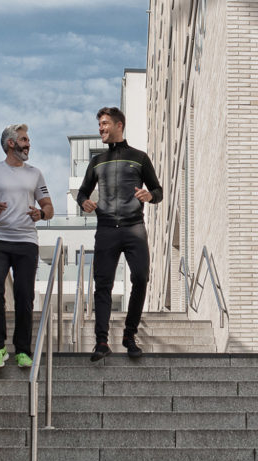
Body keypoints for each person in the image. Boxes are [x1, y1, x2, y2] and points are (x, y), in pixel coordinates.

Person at [76, 106, 163, 361]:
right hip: (106, 230)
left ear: (119, 125)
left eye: (104, 124)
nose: (101, 129)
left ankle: (129, 335)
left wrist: (150, 196)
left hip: (134, 227)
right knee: (103, 286)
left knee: (141, 278)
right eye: (99, 125)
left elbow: (158, 190)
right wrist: (84, 203)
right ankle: (101, 342)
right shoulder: (97, 162)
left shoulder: (139, 157)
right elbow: (82, 192)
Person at [0, 124, 54, 368]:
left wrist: (40, 214)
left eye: (28, 140)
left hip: (26, 242)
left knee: (24, 295)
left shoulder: (35, 174)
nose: (28, 144)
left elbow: (49, 208)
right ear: (11, 143)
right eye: (24, 139)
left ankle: (22, 351)